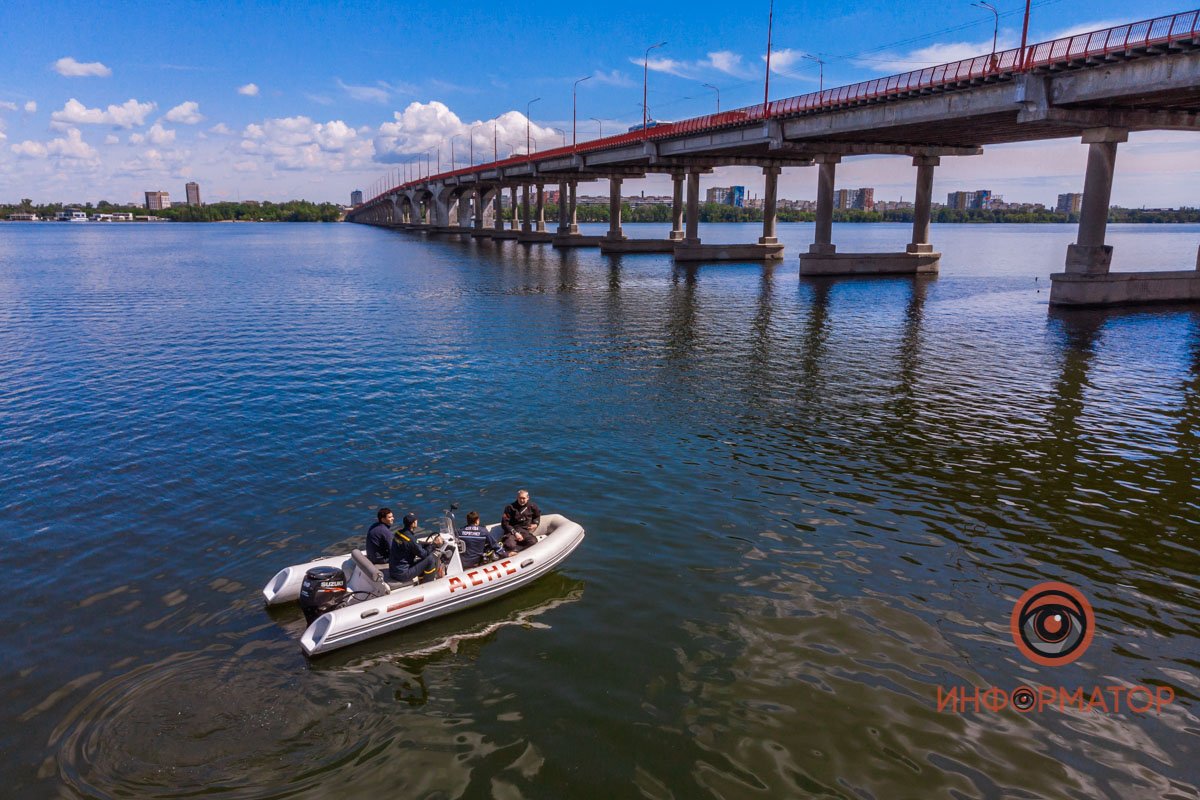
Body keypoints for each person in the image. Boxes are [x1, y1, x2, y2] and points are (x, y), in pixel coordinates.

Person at [388, 512, 443, 584]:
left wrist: (427, 544)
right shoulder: (410, 539)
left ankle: (421, 579)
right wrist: (434, 544)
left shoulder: (398, 533)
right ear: (413, 524)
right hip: (403, 574)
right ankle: (428, 584)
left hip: (393, 571)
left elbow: (413, 544)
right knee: (430, 559)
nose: (417, 521)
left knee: (421, 559)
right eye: (416, 520)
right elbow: (423, 554)